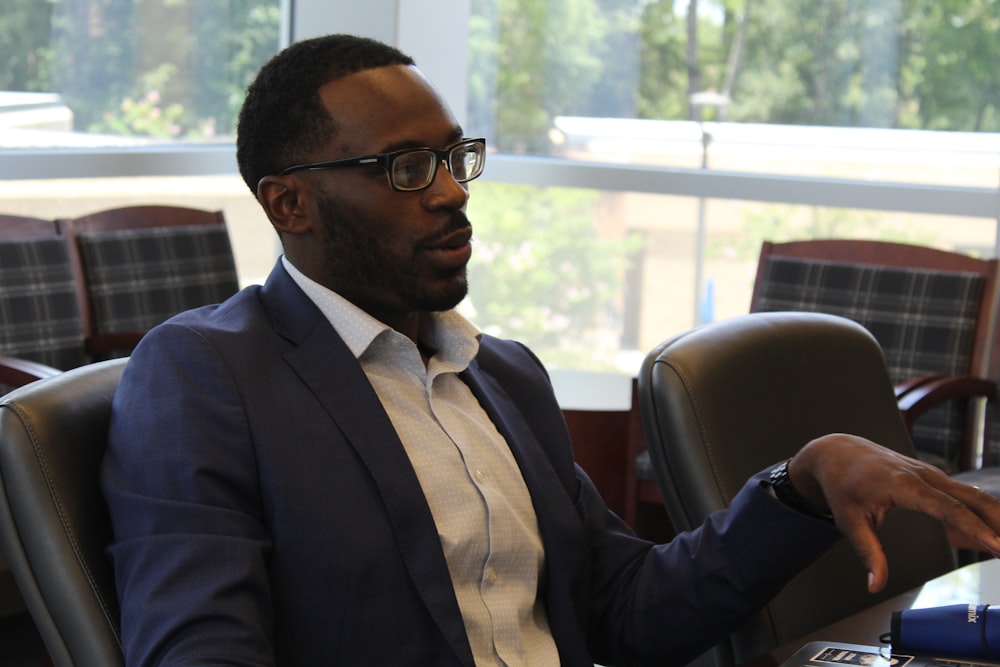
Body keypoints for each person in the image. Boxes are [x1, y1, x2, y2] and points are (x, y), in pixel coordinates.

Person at [100, 33, 1000, 667]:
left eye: (456, 157)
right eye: (407, 167)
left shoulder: (503, 376)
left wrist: (799, 482)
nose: (453, 193)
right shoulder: (207, 374)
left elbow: (624, 614)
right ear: (289, 204)